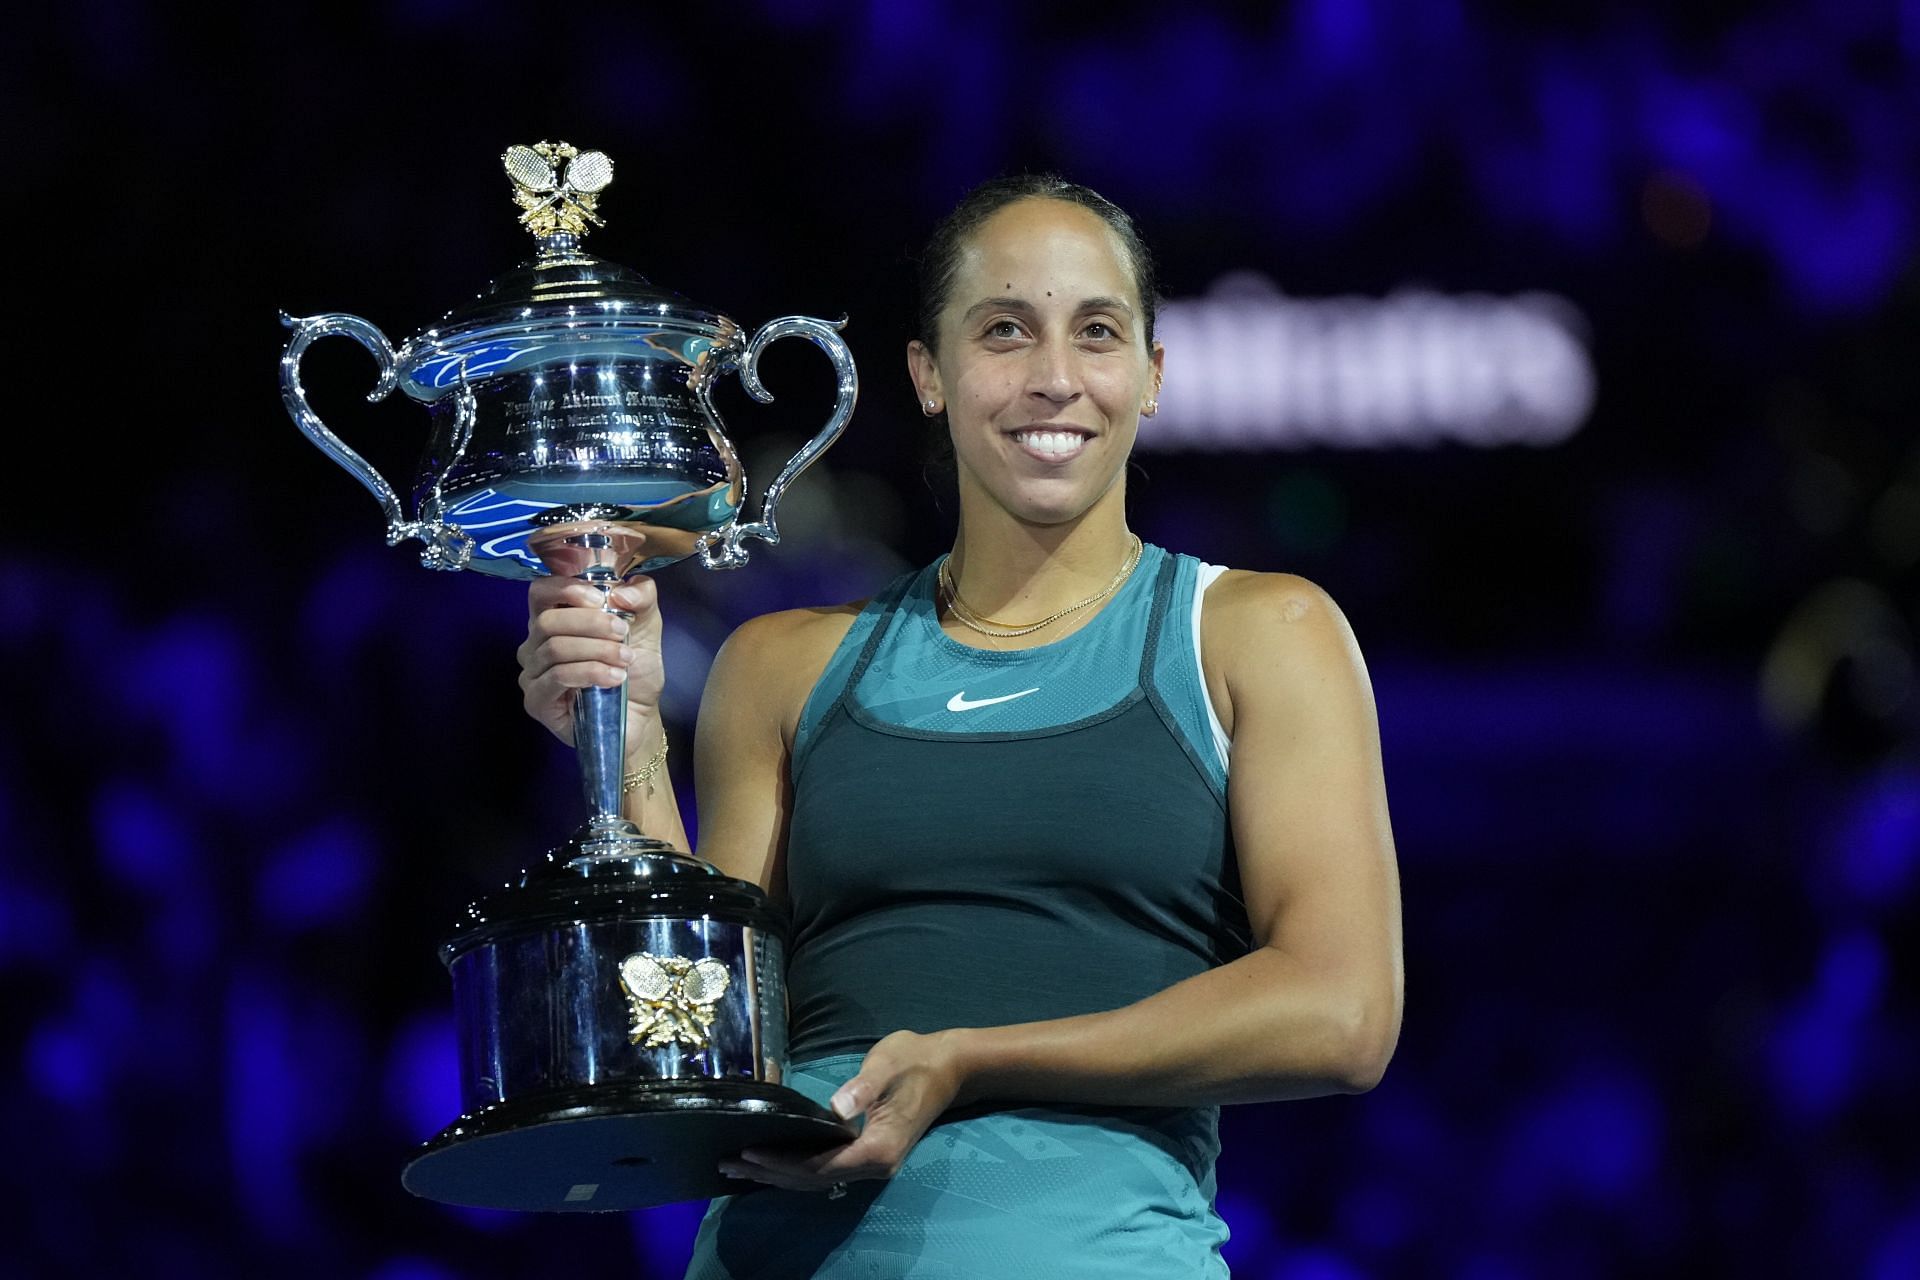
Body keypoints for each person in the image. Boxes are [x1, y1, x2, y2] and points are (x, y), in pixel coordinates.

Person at [516, 175, 1403, 1278]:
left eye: (1098, 332)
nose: (1055, 378)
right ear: (927, 374)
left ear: (1154, 375)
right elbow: (701, 1038)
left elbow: (1342, 1010)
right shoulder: (781, 665)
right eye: (1003, 331)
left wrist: (971, 1059)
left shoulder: (1261, 632)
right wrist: (627, 733)